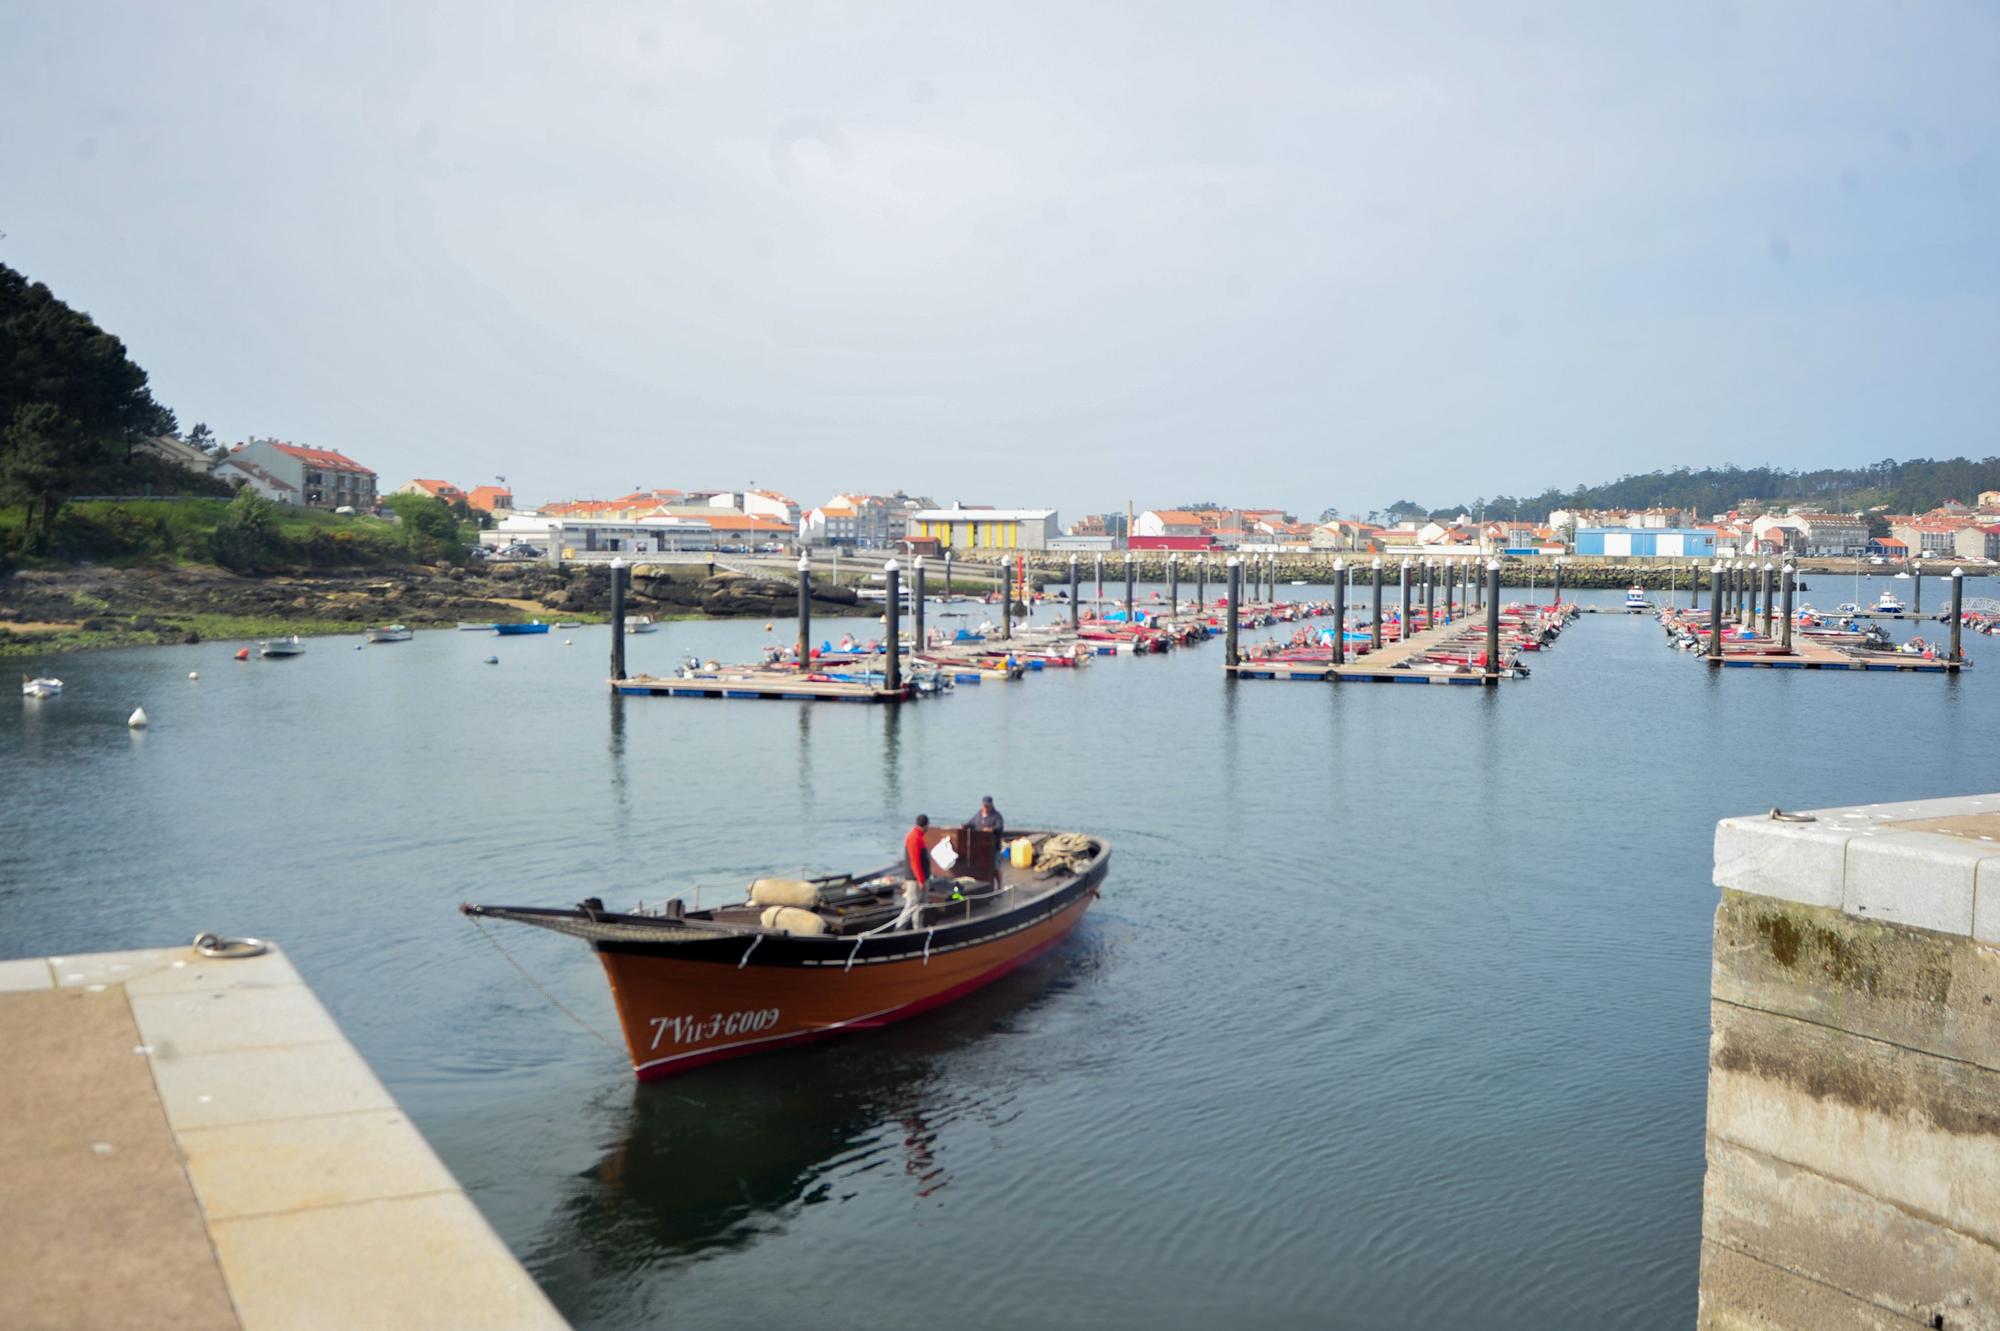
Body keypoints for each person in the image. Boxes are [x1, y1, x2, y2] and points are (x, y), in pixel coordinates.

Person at [904, 814, 931, 885]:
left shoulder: (918, 836)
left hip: (918, 879)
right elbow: (915, 861)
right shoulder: (915, 838)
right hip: (914, 880)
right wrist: (921, 880)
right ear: (926, 825)